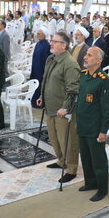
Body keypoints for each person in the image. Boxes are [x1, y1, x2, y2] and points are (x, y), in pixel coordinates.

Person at [37, 31, 81, 183]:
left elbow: (73, 90)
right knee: (54, 139)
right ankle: (61, 161)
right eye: (52, 40)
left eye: (55, 41)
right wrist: (41, 97)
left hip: (62, 110)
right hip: (50, 107)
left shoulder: (70, 64)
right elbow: (46, 79)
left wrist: (66, 108)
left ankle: (71, 168)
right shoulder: (51, 59)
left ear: (64, 45)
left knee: (67, 140)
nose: (51, 43)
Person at [76, 47, 109, 202]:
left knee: (98, 160)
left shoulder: (103, 80)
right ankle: (90, 182)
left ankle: (102, 188)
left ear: (98, 60)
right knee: (85, 157)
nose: (85, 57)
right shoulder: (84, 76)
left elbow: (107, 109)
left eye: (89, 55)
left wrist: (103, 130)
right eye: (86, 55)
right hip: (83, 125)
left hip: (95, 127)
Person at [30, 26, 51, 107]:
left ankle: (39, 103)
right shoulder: (38, 43)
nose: (37, 35)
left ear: (44, 35)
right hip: (36, 67)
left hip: (41, 69)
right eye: (37, 34)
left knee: (40, 85)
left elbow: (46, 59)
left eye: (39, 34)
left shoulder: (46, 45)